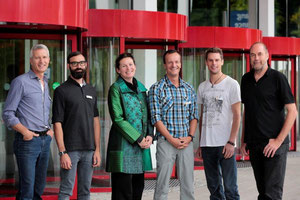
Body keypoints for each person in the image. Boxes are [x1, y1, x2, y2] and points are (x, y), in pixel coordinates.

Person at [241, 42, 297, 200]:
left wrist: (278, 141)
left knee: (272, 195)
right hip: (255, 144)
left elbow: (292, 111)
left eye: (259, 54)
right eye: (253, 55)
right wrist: (244, 140)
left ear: (267, 56)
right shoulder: (246, 80)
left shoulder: (278, 78)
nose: (256, 58)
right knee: (262, 192)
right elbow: (248, 111)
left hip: (274, 144)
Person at [2, 44, 53, 199]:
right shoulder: (20, 82)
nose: (41, 61)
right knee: (27, 189)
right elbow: (8, 113)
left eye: (44, 57)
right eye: (37, 57)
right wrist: (25, 132)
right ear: (31, 61)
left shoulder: (46, 83)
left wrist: (49, 130)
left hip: (45, 140)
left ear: (49, 60)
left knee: (39, 187)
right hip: (27, 142)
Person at [149, 49, 198, 200]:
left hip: (186, 143)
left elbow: (194, 116)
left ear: (181, 64)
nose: (174, 65)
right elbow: (156, 119)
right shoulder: (156, 89)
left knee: (188, 186)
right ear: (164, 65)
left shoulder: (189, 89)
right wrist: (172, 139)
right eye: (170, 62)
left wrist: (190, 137)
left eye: (176, 62)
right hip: (166, 142)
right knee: (162, 185)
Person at [52, 51, 101, 200]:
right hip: (70, 150)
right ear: (69, 66)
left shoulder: (91, 90)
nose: (78, 66)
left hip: (89, 150)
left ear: (86, 65)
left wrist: (97, 149)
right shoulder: (61, 90)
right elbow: (57, 123)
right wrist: (62, 152)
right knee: (66, 191)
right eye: (74, 63)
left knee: (85, 192)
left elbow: (96, 121)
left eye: (81, 63)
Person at [106, 53, 153, 200]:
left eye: (131, 64)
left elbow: (149, 115)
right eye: (124, 66)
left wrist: (150, 135)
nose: (128, 68)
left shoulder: (142, 89)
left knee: (138, 189)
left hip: (141, 146)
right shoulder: (115, 89)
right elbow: (118, 118)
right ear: (118, 70)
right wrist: (139, 138)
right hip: (123, 146)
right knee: (123, 191)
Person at [196, 47, 240, 199]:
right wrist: (201, 143)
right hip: (207, 145)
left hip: (224, 144)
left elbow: (237, 115)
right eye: (210, 60)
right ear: (206, 63)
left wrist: (231, 142)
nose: (213, 63)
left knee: (230, 189)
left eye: (216, 60)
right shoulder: (202, 87)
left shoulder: (232, 84)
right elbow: (202, 116)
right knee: (214, 189)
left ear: (222, 61)